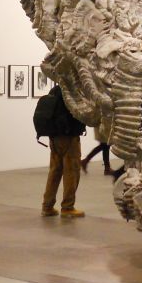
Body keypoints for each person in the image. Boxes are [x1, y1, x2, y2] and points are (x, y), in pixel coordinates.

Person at [41, 85, 86, 217]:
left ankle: (47, 206)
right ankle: (68, 207)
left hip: (54, 136)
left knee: (55, 171)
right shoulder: (72, 90)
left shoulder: (55, 90)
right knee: (71, 171)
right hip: (69, 137)